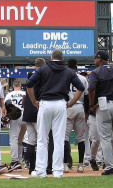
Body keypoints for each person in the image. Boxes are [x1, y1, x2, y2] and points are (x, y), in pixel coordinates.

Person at [27, 49, 85, 178]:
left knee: (42, 139)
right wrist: (71, 102)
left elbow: (29, 84)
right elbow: (81, 87)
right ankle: (58, 172)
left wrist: (33, 101)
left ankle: (41, 171)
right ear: (62, 59)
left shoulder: (43, 69)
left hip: (45, 103)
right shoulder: (69, 71)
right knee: (59, 140)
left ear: (51, 57)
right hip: (60, 104)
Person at [22, 58, 45, 173]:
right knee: (42, 141)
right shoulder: (43, 77)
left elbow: (24, 98)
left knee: (31, 141)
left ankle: (31, 167)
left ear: (35, 66)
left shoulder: (30, 77)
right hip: (38, 111)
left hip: (28, 112)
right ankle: (41, 167)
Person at [5, 79, 26, 171]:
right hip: (25, 116)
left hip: (15, 117)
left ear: (13, 86)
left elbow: (6, 107)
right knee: (21, 140)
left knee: (13, 139)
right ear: (20, 86)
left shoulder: (9, 95)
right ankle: (20, 161)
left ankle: (15, 161)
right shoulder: (24, 93)